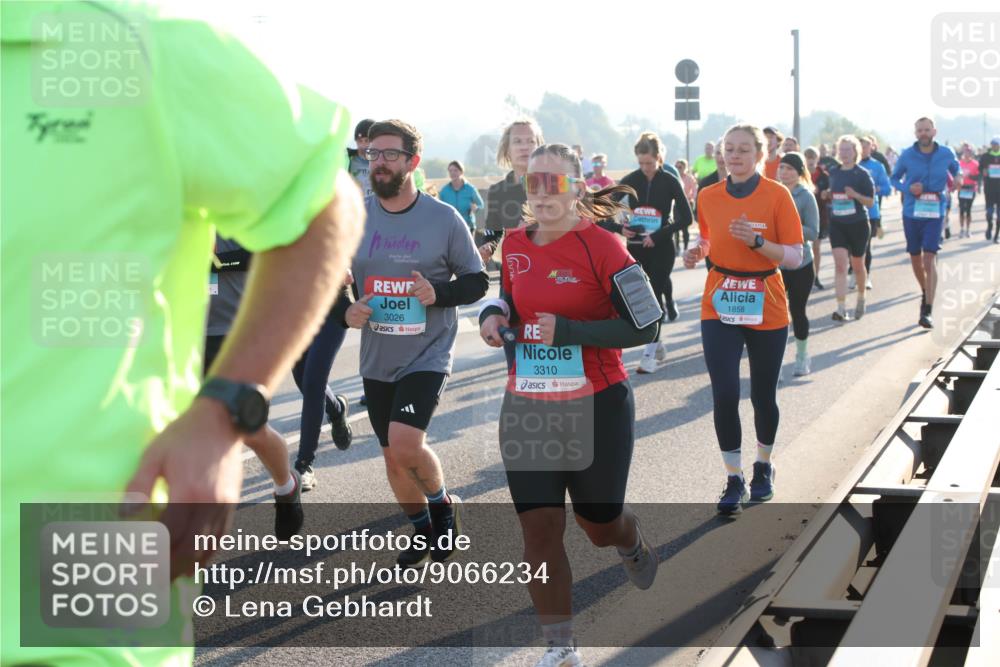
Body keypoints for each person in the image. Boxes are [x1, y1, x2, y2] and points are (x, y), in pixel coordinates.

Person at [1, 3, 364, 664]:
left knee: (264, 419)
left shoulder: (140, 41)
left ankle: (288, 477)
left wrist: (227, 404)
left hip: (81, 569)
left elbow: (320, 204)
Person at [478, 143, 660, 667]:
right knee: (538, 528)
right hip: (528, 404)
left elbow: (646, 325)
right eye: (533, 181)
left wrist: (572, 331)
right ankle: (560, 647)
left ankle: (629, 538)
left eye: (553, 182)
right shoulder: (515, 242)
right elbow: (511, 296)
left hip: (597, 402)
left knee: (598, 526)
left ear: (577, 188)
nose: (541, 192)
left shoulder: (604, 247)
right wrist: (494, 314)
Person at [345, 120, 489, 568]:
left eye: (390, 154)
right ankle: (423, 530)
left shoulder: (443, 218)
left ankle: (443, 507)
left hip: (428, 353)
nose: (379, 162)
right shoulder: (354, 217)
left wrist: (437, 293)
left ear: (412, 161)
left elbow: (477, 281)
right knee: (393, 460)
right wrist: (345, 311)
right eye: (373, 154)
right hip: (377, 356)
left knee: (405, 443)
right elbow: (328, 281)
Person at [684, 124, 804, 516]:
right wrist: (698, 251)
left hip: (766, 298)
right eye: (729, 149)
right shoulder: (709, 195)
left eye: (744, 150)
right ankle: (733, 477)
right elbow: (709, 238)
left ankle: (763, 466)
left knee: (763, 396)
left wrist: (758, 243)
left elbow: (796, 256)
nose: (735, 156)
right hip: (720, 299)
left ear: (760, 155)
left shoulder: (778, 195)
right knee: (724, 392)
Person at [206, 237, 304, 534]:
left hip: (241, 333)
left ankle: (286, 486)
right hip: (186, 336)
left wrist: (211, 261)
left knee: (251, 430)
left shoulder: (241, 214)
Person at [609, 132, 693, 373]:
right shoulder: (631, 180)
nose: (645, 168)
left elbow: (686, 218)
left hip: (662, 247)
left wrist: (658, 236)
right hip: (636, 248)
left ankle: (648, 356)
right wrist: (620, 228)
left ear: (659, 158)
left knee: (654, 296)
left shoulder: (669, 180)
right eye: (641, 163)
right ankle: (656, 343)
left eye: (650, 163)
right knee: (640, 299)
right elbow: (602, 212)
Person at [890, 117, 960, 328]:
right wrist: (907, 188)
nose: (923, 133)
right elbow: (894, 179)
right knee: (915, 258)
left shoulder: (946, 153)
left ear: (934, 132)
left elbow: (956, 169)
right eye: (920, 130)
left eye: (927, 130)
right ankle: (925, 290)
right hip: (911, 212)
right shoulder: (907, 155)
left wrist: (958, 178)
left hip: (935, 212)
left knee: (929, 258)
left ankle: (927, 308)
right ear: (915, 133)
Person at [775, 153, 820, 376]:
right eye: (782, 167)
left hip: (801, 264)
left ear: (799, 172)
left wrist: (791, 225)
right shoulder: (773, 193)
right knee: (776, 314)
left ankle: (802, 356)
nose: (785, 172)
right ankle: (776, 362)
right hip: (776, 263)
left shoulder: (806, 196)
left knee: (797, 311)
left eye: (790, 169)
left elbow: (813, 232)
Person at [480, 118, 545, 265]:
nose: (524, 147)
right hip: (513, 270)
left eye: (531, 141)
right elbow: (492, 231)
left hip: (550, 270)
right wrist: (488, 246)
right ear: (507, 150)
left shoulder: (556, 185)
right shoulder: (496, 191)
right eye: (517, 141)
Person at [828, 135, 875, 322]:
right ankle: (841, 308)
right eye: (842, 149)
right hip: (837, 223)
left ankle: (861, 297)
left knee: (857, 265)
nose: (844, 153)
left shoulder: (862, 174)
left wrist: (855, 195)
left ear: (855, 152)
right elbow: (833, 194)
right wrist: (827, 194)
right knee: (840, 265)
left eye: (848, 150)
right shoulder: (833, 172)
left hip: (858, 224)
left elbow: (870, 202)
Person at [857, 136, 893, 289]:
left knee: (866, 246)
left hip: (870, 212)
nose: (863, 149)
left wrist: (878, 188)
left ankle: (866, 276)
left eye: (866, 146)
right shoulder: (849, 166)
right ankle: (854, 271)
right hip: (850, 212)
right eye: (860, 146)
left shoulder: (877, 166)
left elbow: (887, 188)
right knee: (852, 247)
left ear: (871, 148)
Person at [804, 146, 831, 290]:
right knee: (802, 248)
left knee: (816, 247)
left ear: (817, 159)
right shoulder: (800, 175)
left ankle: (815, 277)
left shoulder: (824, 176)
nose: (810, 161)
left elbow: (831, 193)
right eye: (808, 158)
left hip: (819, 216)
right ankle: (805, 276)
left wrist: (826, 194)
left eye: (813, 158)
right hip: (802, 216)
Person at [438, 160, 485, 235]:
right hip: (450, 228)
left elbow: (481, 205)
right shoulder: (444, 191)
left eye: (455, 170)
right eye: (450, 171)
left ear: (461, 172)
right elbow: (439, 209)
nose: (452, 173)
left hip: (468, 226)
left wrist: (476, 208)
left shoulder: (470, 189)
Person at [349, 118, 376, 199]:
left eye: (367, 141)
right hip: (356, 205)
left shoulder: (384, 161)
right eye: (360, 141)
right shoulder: (348, 161)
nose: (363, 146)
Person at [980, 137, 1000, 242]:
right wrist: (983, 171)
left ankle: (996, 235)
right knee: (989, 213)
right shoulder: (985, 156)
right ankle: (989, 226)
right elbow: (980, 168)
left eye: (996, 144)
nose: (995, 146)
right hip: (989, 189)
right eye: (993, 144)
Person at [957, 143, 980, 238]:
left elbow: (978, 177)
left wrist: (969, 176)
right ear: (963, 152)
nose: (967, 153)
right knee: (962, 209)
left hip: (971, 188)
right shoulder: (959, 163)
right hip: (962, 188)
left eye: (969, 152)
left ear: (971, 153)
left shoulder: (975, 164)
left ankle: (968, 230)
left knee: (969, 210)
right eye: (966, 151)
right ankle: (962, 229)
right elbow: (955, 175)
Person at [675, 158, 698, 251]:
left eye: (680, 167)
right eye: (676, 167)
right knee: (675, 227)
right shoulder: (674, 177)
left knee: (685, 227)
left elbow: (695, 190)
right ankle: (676, 247)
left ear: (685, 167)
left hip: (687, 204)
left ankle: (685, 247)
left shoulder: (689, 178)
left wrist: (691, 199)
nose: (678, 169)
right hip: (676, 204)